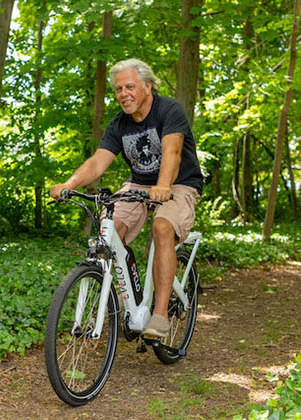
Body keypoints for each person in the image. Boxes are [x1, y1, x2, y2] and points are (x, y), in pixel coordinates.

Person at [50, 58, 203, 339]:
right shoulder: (119, 124)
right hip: (138, 185)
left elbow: (172, 152)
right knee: (108, 233)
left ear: (147, 86)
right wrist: (68, 184)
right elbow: (98, 161)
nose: (124, 94)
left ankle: (159, 315)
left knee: (162, 227)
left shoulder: (169, 110)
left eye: (130, 86)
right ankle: (126, 301)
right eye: (119, 89)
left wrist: (163, 185)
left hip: (178, 184)